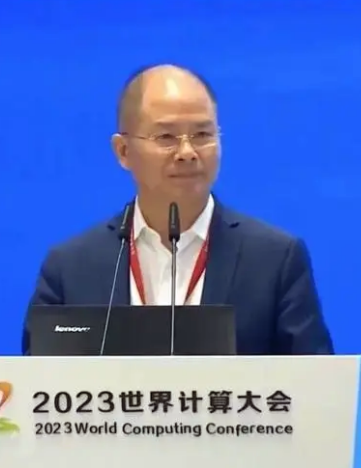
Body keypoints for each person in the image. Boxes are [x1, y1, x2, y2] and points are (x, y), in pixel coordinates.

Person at [22, 64, 333, 356]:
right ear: (123, 151)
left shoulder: (274, 260)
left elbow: (314, 383)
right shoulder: (71, 268)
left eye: (202, 135)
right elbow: (37, 386)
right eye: (166, 137)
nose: (187, 152)